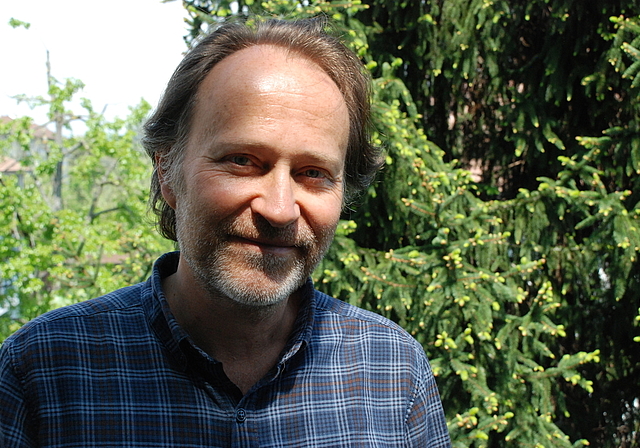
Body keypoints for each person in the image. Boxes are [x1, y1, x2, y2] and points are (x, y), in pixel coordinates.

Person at [0, 17, 451, 447]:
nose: (278, 209)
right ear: (167, 174)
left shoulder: (393, 371)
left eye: (313, 173)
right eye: (242, 161)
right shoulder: (42, 373)